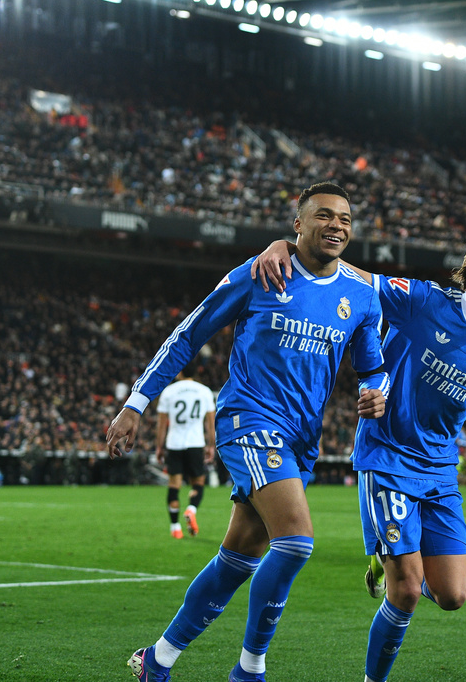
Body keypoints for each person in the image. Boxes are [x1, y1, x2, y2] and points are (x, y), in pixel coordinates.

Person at [105, 182, 391, 682]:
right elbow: (189, 333)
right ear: (297, 224)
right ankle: (249, 670)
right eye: (324, 215)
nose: (336, 226)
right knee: (296, 542)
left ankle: (157, 660)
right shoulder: (261, 273)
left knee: (238, 557)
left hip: (302, 439)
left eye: (345, 219)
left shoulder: (361, 295)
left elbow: (372, 367)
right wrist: (136, 403)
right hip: (249, 421)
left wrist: (376, 391)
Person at [253, 227, 466, 682]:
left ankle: (384, 562)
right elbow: (354, 276)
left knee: (452, 596)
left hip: (440, 470)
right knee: (406, 590)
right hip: (386, 457)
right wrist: (288, 248)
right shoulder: (424, 301)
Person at [155, 363, 217, 539]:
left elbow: (161, 424)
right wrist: (211, 445)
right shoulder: (204, 391)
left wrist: (159, 446)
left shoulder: (169, 392)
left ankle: (175, 528)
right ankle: (191, 509)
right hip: (195, 443)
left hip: (174, 443)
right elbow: (210, 423)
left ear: (180, 372)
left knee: (174, 485)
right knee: (198, 482)